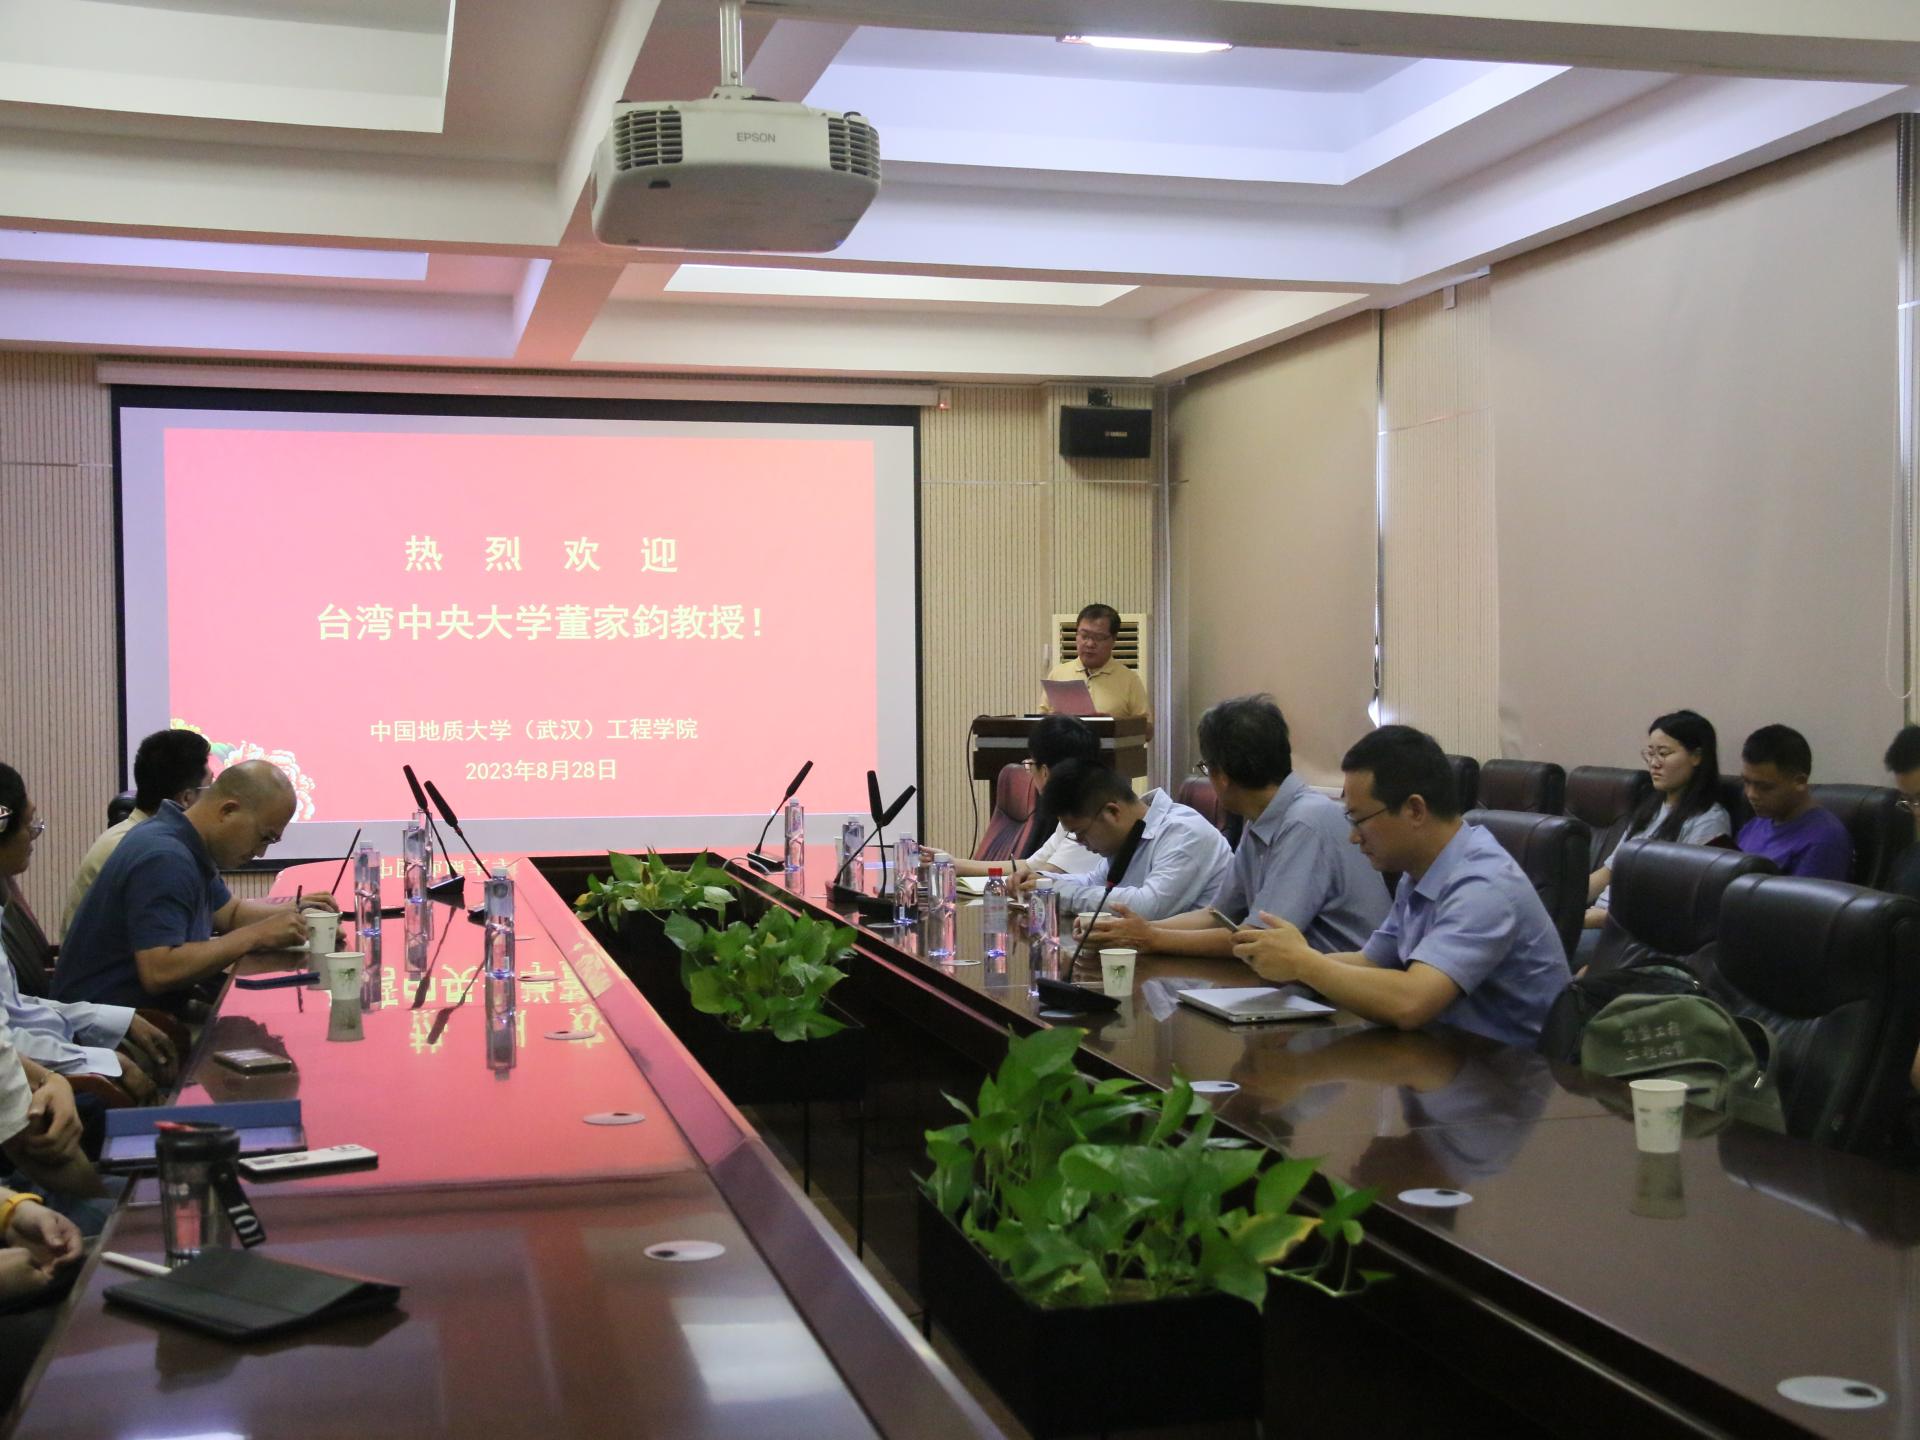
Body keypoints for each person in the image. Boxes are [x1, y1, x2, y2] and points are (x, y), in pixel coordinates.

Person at [1231, 725, 1569, 1048]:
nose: (1353, 837)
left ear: (1415, 810)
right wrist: (1288, 960)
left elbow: (1411, 1003)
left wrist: (1305, 964)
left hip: (1510, 1073)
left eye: (1359, 820)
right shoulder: (1420, 870)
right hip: (1444, 1056)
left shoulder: (1483, 886)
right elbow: (1373, 962)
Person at [1085, 695, 1388, 959]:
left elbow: (1259, 938)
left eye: (1206, 768)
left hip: (1342, 993)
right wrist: (1134, 929)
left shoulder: (1305, 822)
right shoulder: (1260, 817)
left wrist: (1152, 938)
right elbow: (1217, 915)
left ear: (1222, 776)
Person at [55, 761, 328, 1014]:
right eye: (264, 837)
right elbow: (160, 972)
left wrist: (298, 911)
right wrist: (255, 936)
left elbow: (231, 913)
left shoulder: (182, 838)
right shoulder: (165, 857)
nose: (260, 853)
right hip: (108, 1028)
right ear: (228, 811)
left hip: (146, 1012)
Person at [0, 770, 176, 1101]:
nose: (34, 837)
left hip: (44, 1048)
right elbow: (7, 1043)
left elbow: (16, 1008)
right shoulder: (157, 851)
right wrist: (98, 1061)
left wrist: (120, 1020)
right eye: (28, 825)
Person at [1582, 710, 1731, 940]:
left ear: (1697, 756)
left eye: (1663, 754)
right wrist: (1565, 903)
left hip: (1630, 932)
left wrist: (1597, 919)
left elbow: (1678, 901)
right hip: (1600, 918)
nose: (1654, 763)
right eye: (1650, 754)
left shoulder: (1709, 821)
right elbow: (1608, 873)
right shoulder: (1650, 808)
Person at [62, 728, 211, 937]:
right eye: (210, 789)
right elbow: (160, 950)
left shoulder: (151, 838)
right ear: (186, 799)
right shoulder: (152, 852)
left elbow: (223, 912)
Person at [1039, 758, 1229, 922]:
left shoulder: (1184, 833)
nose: (1080, 842)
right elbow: (1095, 882)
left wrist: (1056, 891)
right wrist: (1042, 881)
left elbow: (1147, 908)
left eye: (1080, 832)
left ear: (1112, 812)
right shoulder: (1131, 833)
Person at [958, 714, 1103, 881]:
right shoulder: (1073, 807)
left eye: (1031, 764)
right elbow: (1029, 866)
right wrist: (954, 864)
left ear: (1045, 772)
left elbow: (1042, 879)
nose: (1029, 772)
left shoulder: (1089, 818)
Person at [1735, 724, 1851, 879]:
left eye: (1765, 787)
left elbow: (1803, 895)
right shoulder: (1755, 824)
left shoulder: (1825, 840)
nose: (1751, 794)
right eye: (1746, 782)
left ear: (1800, 782)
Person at [1039, 604, 1151, 731]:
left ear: (1113, 640)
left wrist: (1112, 724)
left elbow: (1148, 730)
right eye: (1084, 636)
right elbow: (1038, 722)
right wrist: (1052, 720)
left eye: (1098, 638)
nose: (1090, 644)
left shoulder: (1129, 679)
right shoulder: (1058, 674)